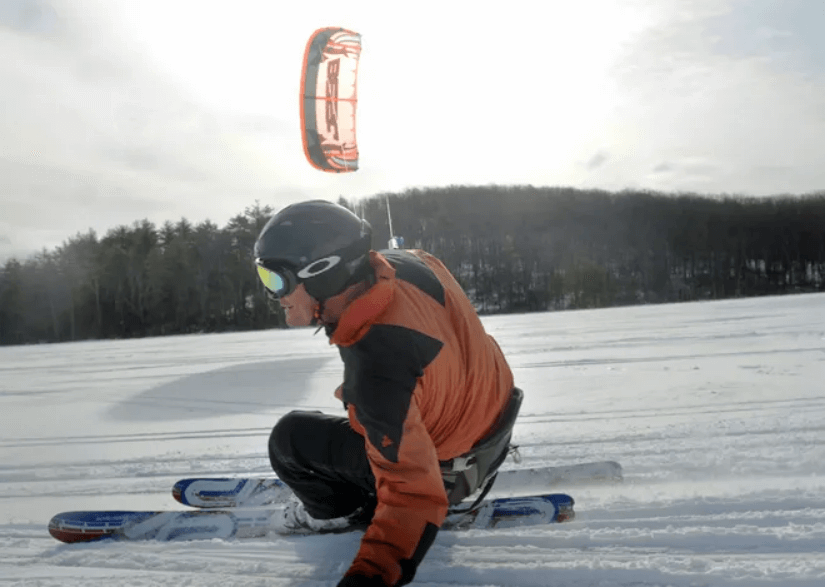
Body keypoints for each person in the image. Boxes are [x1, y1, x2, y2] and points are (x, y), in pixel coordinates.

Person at [254, 200, 518, 587]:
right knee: (372, 417)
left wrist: (368, 578)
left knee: (290, 440)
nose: (273, 294)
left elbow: (415, 497)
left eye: (275, 279)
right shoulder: (413, 262)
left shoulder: (378, 371)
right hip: (492, 427)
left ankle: (339, 513)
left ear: (324, 274)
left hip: (446, 474)